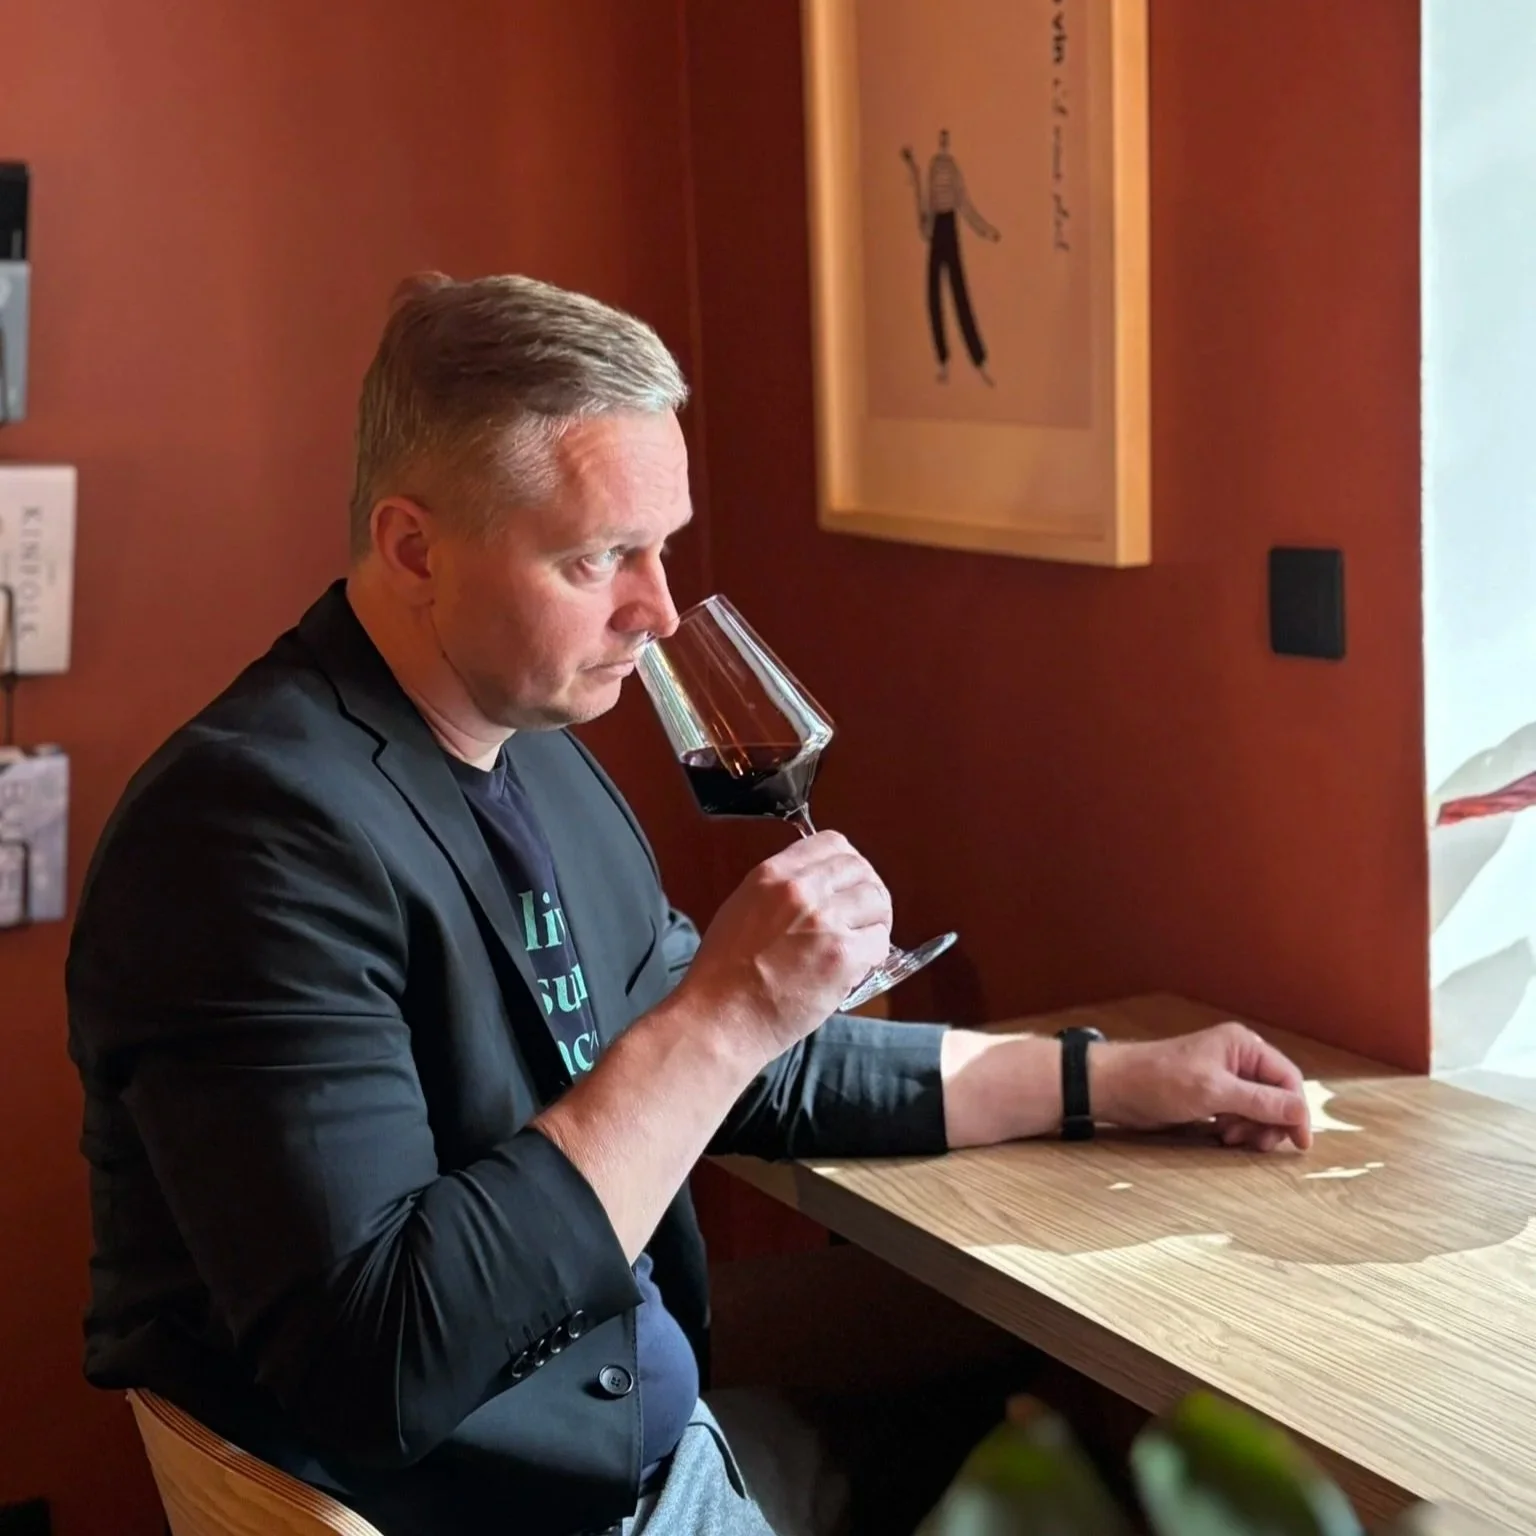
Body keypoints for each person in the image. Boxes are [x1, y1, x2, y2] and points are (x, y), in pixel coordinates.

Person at [66, 273, 1313, 1536]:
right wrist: (725, 1013)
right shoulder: (249, 838)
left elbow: (745, 1059)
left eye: (663, 546)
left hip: (638, 1436)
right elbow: (383, 1363)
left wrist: (1107, 1082)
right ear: (413, 547)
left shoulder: (534, 744)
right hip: (513, 1505)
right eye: (599, 555)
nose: (657, 611)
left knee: (1017, 1395)